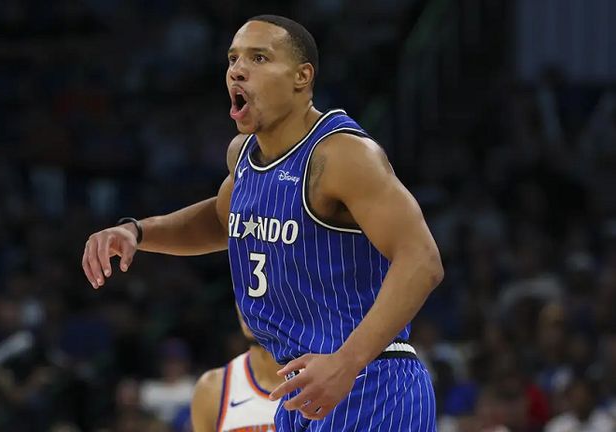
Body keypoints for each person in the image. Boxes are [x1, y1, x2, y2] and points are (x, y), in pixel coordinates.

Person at [83, 14, 443, 431]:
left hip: (370, 379)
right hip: (301, 386)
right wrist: (137, 231)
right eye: (233, 58)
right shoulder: (244, 156)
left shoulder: (342, 154)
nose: (238, 70)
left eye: (258, 58)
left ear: (302, 76)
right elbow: (222, 219)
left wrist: (347, 361)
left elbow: (422, 260)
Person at [190, 307, 282, 432]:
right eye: (240, 296)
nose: (248, 305)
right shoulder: (212, 387)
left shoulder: (310, 377)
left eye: (259, 296)